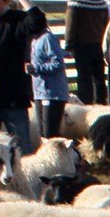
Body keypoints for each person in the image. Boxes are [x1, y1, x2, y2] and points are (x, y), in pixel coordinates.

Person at [0, 0, 36, 149]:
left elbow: (38, 21)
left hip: (13, 97)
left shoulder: (16, 20)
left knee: (22, 146)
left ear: (5, 1)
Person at [64, 0, 109, 105]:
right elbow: (106, 23)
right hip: (98, 43)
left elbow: (71, 25)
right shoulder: (100, 1)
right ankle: (101, 102)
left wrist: (69, 45)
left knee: (84, 77)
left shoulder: (75, 1)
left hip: (81, 45)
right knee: (99, 76)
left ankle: (86, 103)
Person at [29, 7, 68, 142]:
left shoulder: (48, 38)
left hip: (52, 94)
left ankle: (70, 153)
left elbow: (58, 63)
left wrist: (36, 68)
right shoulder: (34, 40)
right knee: (42, 134)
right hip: (39, 93)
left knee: (50, 133)